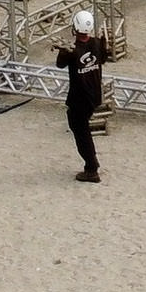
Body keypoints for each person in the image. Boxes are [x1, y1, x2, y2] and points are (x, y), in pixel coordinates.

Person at [58, 10, 107, 183]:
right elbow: (103, 58)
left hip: (79, 98)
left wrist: (62, 50)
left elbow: (60, 64)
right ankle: (92, 165)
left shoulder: (72, 50)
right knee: (82, 129)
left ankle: (91, 168)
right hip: (94, 95)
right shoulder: (97, 43)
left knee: (81, 132)